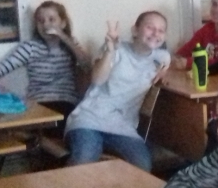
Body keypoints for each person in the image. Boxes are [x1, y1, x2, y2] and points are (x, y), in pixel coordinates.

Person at [64, 11, 170, 172]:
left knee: (142, 166)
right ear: (135, 30)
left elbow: (167, 59)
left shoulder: (160, 58)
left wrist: (165, 71)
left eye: (161, 30)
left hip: (123, 127)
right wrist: (110, 50)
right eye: (150, 27)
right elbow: (97, 79)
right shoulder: (116, 49)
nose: (156, 33)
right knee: (84, 159)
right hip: (89, 120)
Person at [0, 1, 91, 131]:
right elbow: (0, 69)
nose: (46, 24)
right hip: (39, 103)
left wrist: (63, 37)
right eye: (41, 21)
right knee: (29, 123)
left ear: (63, 23)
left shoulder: (71, 44)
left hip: (65, 102)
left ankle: (40, 140)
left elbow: (86, 65)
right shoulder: (30, 47)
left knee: (68, 123)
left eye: (51, 19)